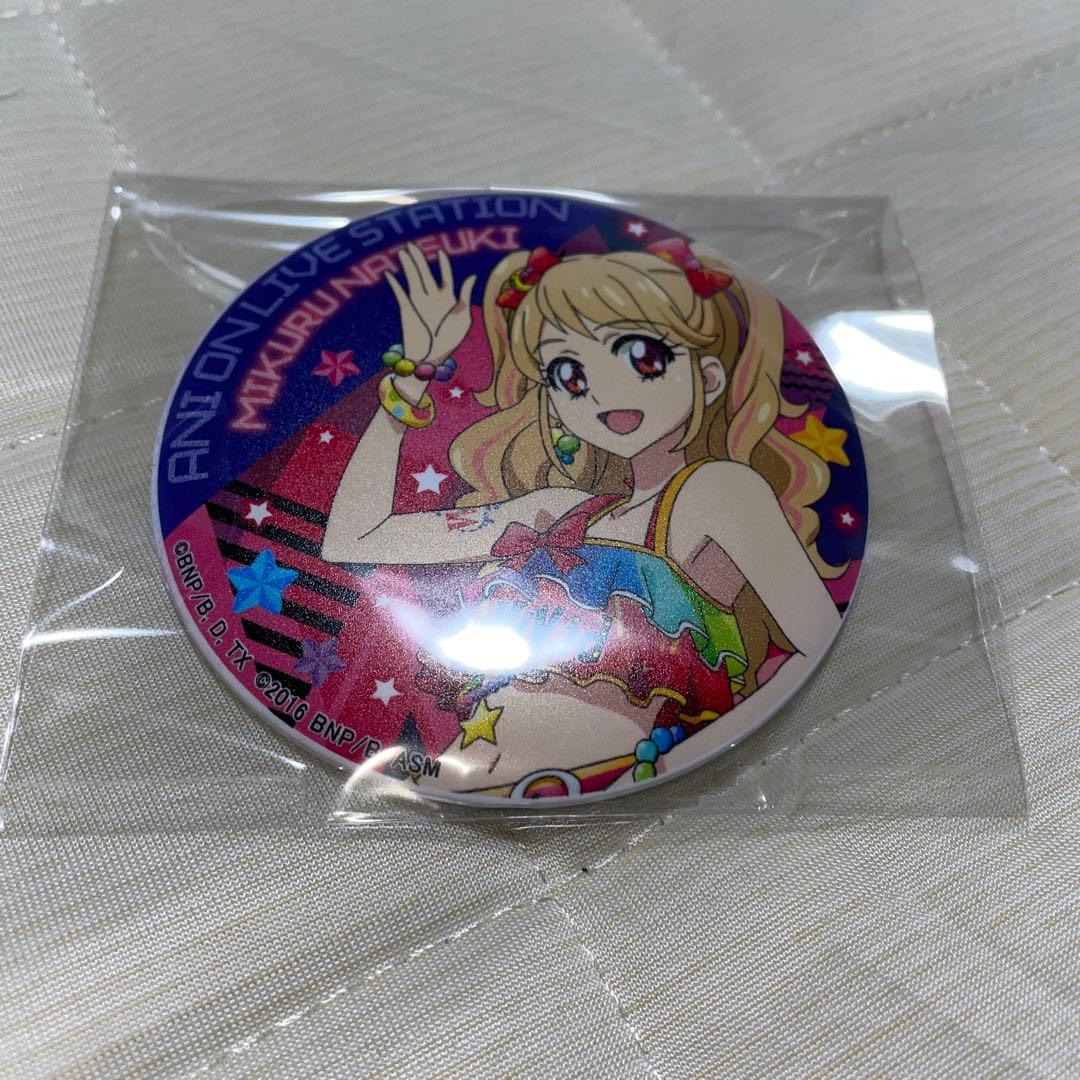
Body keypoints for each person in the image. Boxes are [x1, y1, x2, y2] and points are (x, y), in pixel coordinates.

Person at [323, 239, 842, 798]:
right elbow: (355, 537)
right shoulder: (559, 510)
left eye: (641, 356)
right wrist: (415, 373)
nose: (604, 392)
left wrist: (673, 761)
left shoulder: (715, 491)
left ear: (708, 377)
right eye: (570, 373)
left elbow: (815, 639)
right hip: (465, 779)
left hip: (596, 781)